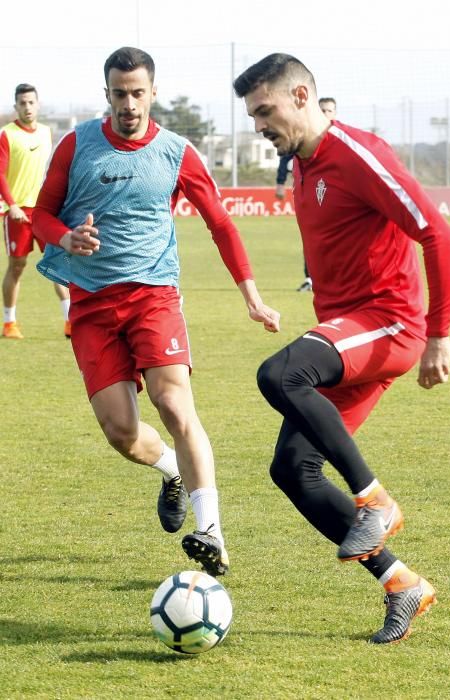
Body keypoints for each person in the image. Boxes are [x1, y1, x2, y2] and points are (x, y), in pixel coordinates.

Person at [233, 54, 450, 642]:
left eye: (266, 109)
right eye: (252, 114)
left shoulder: (357, 155)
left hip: (389, 324)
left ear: (302, 95)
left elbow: (439, 235)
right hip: (350, 334)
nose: (259, 123)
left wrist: (439, 332)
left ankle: (374, 499)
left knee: (280, 374)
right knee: (293, 470)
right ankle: (402, 584)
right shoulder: (304, 167)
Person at [33, 47, 280, 577]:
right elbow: (41, 216)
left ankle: (211, 531)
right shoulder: (76, 145)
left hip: (154, 294)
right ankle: (170, 470)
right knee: (122, 432)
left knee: (173, 403)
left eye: (137, 93)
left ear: (153, 92)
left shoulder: (176, 151)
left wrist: (251, 295)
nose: (128, 104)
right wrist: (66, 237)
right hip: (93, 303)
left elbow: (221, 223)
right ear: (107, 95)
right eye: (119, 94)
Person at [0, 84, 71, 339]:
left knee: (58, 262)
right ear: (16, 107)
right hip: (17, 212)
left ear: (38, 104)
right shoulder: (7, 135)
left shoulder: (46, 133)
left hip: (44, 210)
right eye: (22, 103)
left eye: (31, 102)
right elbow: (0, 174)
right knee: (17, 266)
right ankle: (9, 323)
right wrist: (13, 205)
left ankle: (70, 321)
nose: (27, 107)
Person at [276, 97, 337, 293]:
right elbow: (285, 159)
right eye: (322, 110)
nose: (325, 114)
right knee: (311, 238)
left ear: (335, 114)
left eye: (329, 110)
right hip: (310, 197)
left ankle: (335, 279)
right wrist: (279, 184)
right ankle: (310, 279)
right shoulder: (302, 138)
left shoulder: (341, 141)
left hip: (336, 199)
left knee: (337, 239)